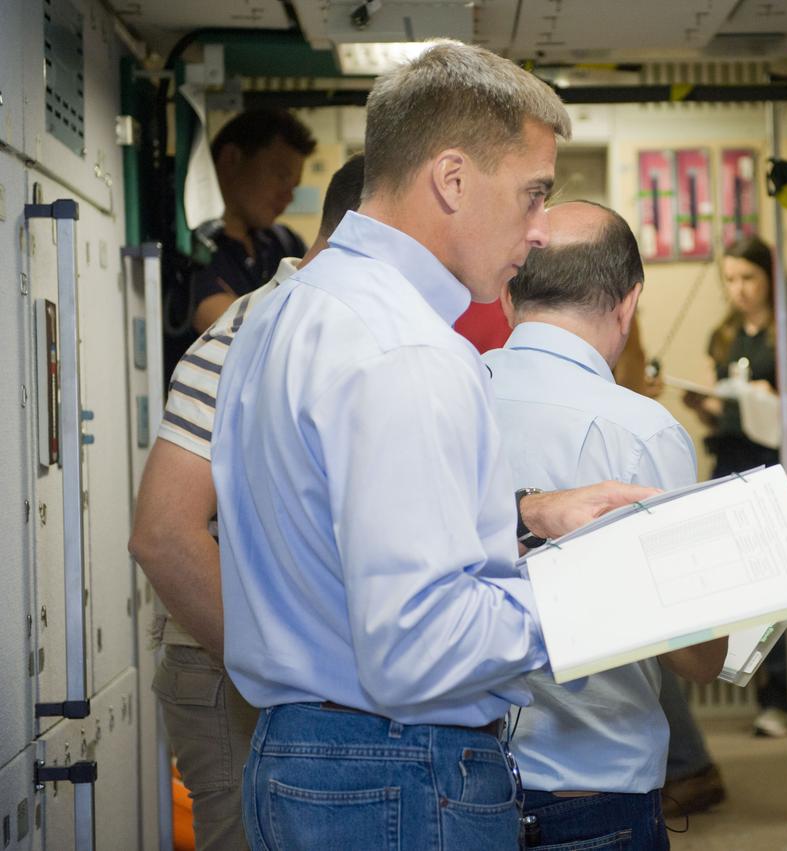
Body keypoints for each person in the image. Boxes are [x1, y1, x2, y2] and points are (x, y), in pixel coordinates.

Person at [210, 40, 652, 850]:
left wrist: (524, 517)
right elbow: (420, 642)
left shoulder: (285, 311)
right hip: (398, 774)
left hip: (302, 759)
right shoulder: (407, 348)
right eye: (533, 194)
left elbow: (338, 529)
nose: (541, 230)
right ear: (452, 179)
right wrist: (614, 588)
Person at [129, 153, 365, 851]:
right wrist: (293, 676)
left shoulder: (328, 326)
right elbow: (163, 536)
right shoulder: (257, 328)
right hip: (234, 667)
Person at [484, 201, 728, 849]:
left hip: (461, 779)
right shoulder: (643, 430)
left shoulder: (445, 391)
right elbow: (698, 655)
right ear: (629, 303)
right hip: (591, 785)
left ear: (507, 296)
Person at [680, 236, 787, 738]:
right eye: (730, 280)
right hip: (733, 462)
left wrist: (772, 401)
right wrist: (704, 406)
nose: (738, 290)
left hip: (782, 465)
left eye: (748, 278)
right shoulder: (724, 337)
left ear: (770, 279)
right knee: (746, 588)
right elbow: (723, 406)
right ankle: (769, 696)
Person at [189, 109, 316, 335]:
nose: (289, 197)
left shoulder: (286, 244)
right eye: (281, 177)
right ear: (231, 159)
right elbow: (229, 328)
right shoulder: (190, 249)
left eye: (294, 186)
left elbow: (320, 309)